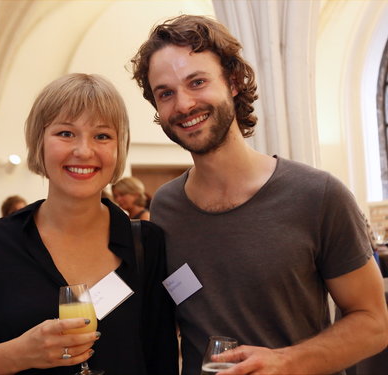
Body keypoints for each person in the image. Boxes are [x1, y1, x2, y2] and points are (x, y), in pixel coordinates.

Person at [131, 14, 388, 375]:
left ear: (233, 82)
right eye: (166, 93)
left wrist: (285, 361)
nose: (184, 105)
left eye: (197, 82)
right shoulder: (165, 205)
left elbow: (374, 323)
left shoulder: (318, 196)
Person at [0, 73, 178, 375]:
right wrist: (18, 354)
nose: (84, 151)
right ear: (38, 143)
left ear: (118, 148)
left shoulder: (146, 244)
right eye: (66, 133)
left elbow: (161, 358)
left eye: (102, 136)